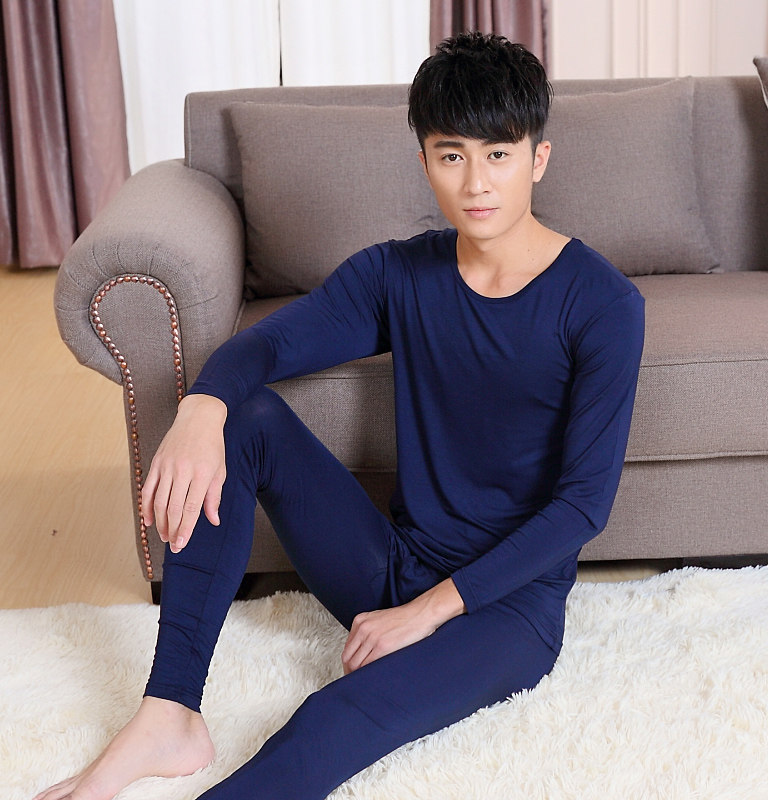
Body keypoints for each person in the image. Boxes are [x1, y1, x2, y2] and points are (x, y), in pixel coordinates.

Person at [35, 31, 645, 800]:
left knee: (334, 716)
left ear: (538, 159)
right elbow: (265, 347)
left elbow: (583, 507)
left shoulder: (603, 305)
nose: (476, 182)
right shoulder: (400, 273)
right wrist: (200, 409)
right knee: (241, 416)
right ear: (424, 161)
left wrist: (423, 615)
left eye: (499, 154)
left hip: (506, 612)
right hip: (394, 567)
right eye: (452, 155)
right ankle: (169, 713)